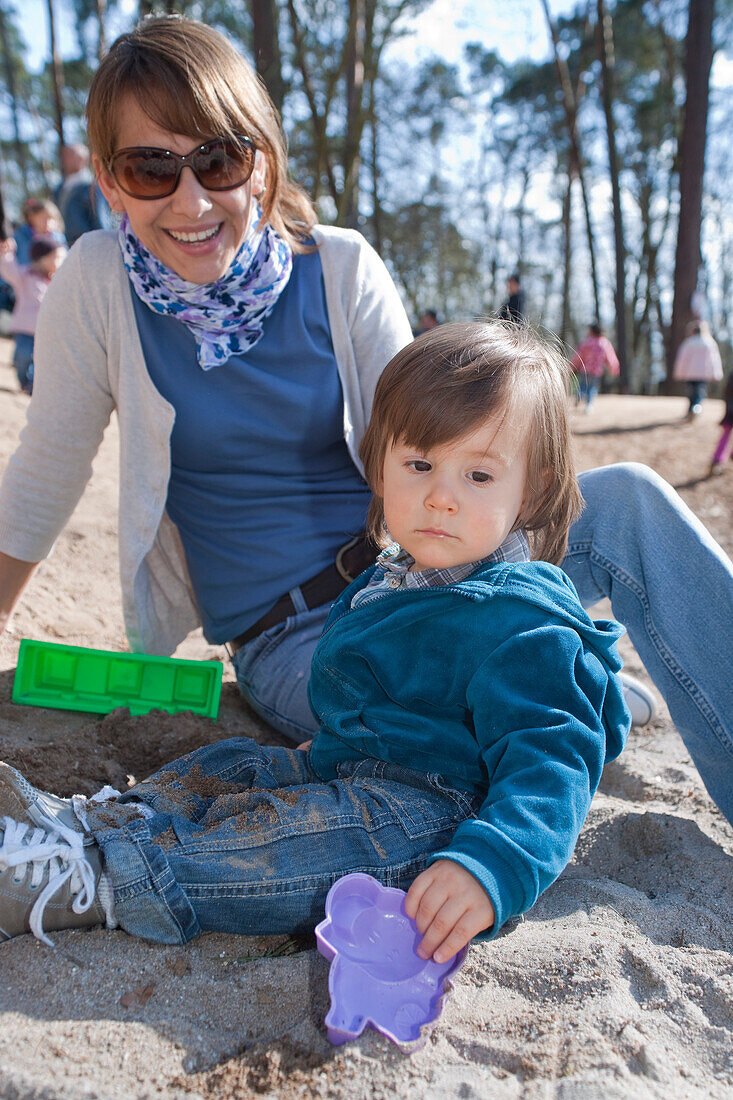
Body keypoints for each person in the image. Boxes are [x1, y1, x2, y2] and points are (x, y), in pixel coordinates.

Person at [0, 16, 729, 826]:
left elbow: (440, 440)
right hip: (300, 644)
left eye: (218, 158)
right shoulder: (97, 283)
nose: (192, 199)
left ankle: (599, 693)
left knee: (626, 499)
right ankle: (588, 691)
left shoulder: (339, 265)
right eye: (151, 168)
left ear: (262, 164)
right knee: (469, 734)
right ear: (109, 181)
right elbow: (44, 472)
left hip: (423, 561)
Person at [0, 320, 632, 951]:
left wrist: (490, 866)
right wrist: (325, 750)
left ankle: (100, 875)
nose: (440, 497)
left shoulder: (525, 623)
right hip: (356, 771)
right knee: (235, 764)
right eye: (420, 464)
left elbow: (552, 768)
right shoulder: (395, 576)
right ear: (381, 467)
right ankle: (100, 823)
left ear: (532, 491)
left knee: (289, 846)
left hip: (437, 820)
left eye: (479, 477)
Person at [0, 236, 67, 394]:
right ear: (43, 259)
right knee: (22, 357)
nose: (60, 261)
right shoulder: (26, 276)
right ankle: (24, 380)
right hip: (25, 329)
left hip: (45, 331)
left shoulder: (57, 281)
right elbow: (10, 271)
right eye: (56, 258)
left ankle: (32, 385)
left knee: (41, 360)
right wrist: (6, 254)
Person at [54, 143, 113, 245]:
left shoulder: (91, 186)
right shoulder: (59, 189)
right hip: (66, 246)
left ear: (82, 160)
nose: (65, 159)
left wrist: (104, 244)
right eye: (64, 156)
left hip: (87, 245)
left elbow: (100, 218)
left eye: (70, 155)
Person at [672, 320, 723, 421]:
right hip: (703, 373)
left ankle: (692, 408)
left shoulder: (688, 343)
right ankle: (696, 407)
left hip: (690, 373)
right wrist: (716, 373)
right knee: (700, 391)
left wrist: (679, 373)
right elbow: (714, 360)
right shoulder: (709, 343)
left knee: (691, 391)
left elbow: (682, 360)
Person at [570, 322, 620, 412]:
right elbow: (610, 357)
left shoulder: (586, 342)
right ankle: (589, 406)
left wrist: (571, 367)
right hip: (596, 371)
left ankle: (579, 395)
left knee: (582, 385)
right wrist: (614, 369)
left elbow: (578, 356)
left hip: (585, 369)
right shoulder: (604, 343)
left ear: (592, 331)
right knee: (592, 387)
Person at [12, 198, 65, 264]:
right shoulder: (20, 237)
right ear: (31, 218)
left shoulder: (58, 238)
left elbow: (65, 259)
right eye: (43, 218)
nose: (47, 223)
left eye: (51, 219)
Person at [709, 371, 733, 477]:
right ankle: (717, 460)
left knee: (725, 435)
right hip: (730, 411)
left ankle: (717, 459)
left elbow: (727, 392)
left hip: (730, 410)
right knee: (725, 435)